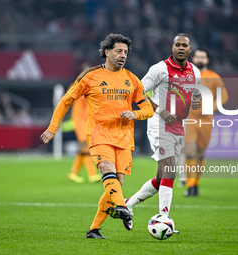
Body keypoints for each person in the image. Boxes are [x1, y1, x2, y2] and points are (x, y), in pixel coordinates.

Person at [40, 33, 154, 239]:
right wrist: (52, 128)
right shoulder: (90, 76)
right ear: (107, 52)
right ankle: (123, 208)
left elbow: (148, 109)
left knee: (116, 185)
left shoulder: (131, 79)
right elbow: (66, 100)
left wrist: (135, 113)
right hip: (99, 134)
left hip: (124, 138)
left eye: (126, 52)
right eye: (119, 51)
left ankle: (94, 229)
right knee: (107, 171)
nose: (123, 55)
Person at [125, 33, 201, 228]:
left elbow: (195, 97)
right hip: (159, 125)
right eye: (178, 45)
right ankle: (163, 218)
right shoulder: (160, 69)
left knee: (161, 178)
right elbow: (138, 91)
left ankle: (128, 204)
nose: (181, 48)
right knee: (170, 170)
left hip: (179, 127)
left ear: (190, 49)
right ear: (172, 47)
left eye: (185, 45)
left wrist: (196, 101)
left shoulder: (195, 72)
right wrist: (160, 109)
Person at [183, 48, 229, 196]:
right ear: (193, 59)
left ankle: (196, 183)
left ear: (207, 60)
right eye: (197, 57)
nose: (200, 59)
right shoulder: (185, 75)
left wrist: (212, 107)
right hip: (190, 117)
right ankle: (189, 185)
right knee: (189, 151)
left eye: (203, 57)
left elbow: (224, 96)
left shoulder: (214, 77)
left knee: (200, 153)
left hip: (206, 120)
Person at [67, 63, 101, 184]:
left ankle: (73, 172)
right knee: (85, 145)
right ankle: (92, 174)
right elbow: (66, 102)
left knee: (85, 146)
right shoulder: (76, 86)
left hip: (88, 120)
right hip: (79, 120)